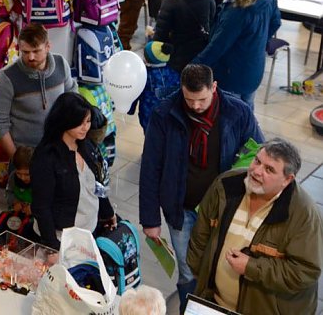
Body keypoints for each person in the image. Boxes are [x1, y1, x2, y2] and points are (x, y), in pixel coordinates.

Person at [139, 63, 264, 311]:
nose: (195, 106)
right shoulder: (164, 114)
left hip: (223, 210)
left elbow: (258, 150)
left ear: (214, 87)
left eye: (202, 99)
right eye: (189, 99)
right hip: (181, 208)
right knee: (188, 272)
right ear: (181, 90)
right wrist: (150, 219)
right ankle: (192, 309)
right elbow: (151, 168)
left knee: (221, 267)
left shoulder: (237, 112)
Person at [187, 139, 323, 315]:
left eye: (269, 169)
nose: (256, 171)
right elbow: (200, 236)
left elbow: (305, 271)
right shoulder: (225, 185)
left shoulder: (304, 215)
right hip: (214, 305)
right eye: (257, 161)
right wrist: (201, 275)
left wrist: (251, 267)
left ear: (287, 180)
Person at [192, 0, 280, 108]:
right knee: (247, 116)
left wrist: (193, 67)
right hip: (253, 68)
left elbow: (218, 45)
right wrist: (257, 44)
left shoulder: (238, 11)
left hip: (232, 75)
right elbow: (276, 22)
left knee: (230, 120)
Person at [31, 92, 116, 250]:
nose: (86, 128)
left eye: (88, 121)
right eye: (80, 123)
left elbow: (97, 185)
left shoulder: (87, 146)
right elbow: (41, 207)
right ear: (65, 121)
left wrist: (108, 212)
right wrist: (52, 247)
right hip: (62, 238)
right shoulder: (46, 157)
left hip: (89, 232)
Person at [0, 24, 77, 158]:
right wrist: (17, 159)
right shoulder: (6, 78)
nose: (30, 57)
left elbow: (72, 98)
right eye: (25, 52)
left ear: (48, 47)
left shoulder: (61, 64)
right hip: (26, 155)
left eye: (36, 51)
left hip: (59, 149)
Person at [151, 0, 215, 73]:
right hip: (201, 53)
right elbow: (211, 20)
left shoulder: (170, 0)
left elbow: (160, 34)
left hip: (178, 56)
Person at [134, 41, 180, 133]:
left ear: (148, 59)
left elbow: (136, 93)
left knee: (150, 138)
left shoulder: (144, 76)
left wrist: (130, 109)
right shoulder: (174, 73)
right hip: (170, 114)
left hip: (148, 114)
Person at [6, 145, 34, 214]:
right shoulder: (13, 177)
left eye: (27, 174)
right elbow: (8, 192)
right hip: (17, 212)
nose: (22, 178)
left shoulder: (42, 180)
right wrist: (14, 202)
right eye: (19, 173)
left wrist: (35, 208)